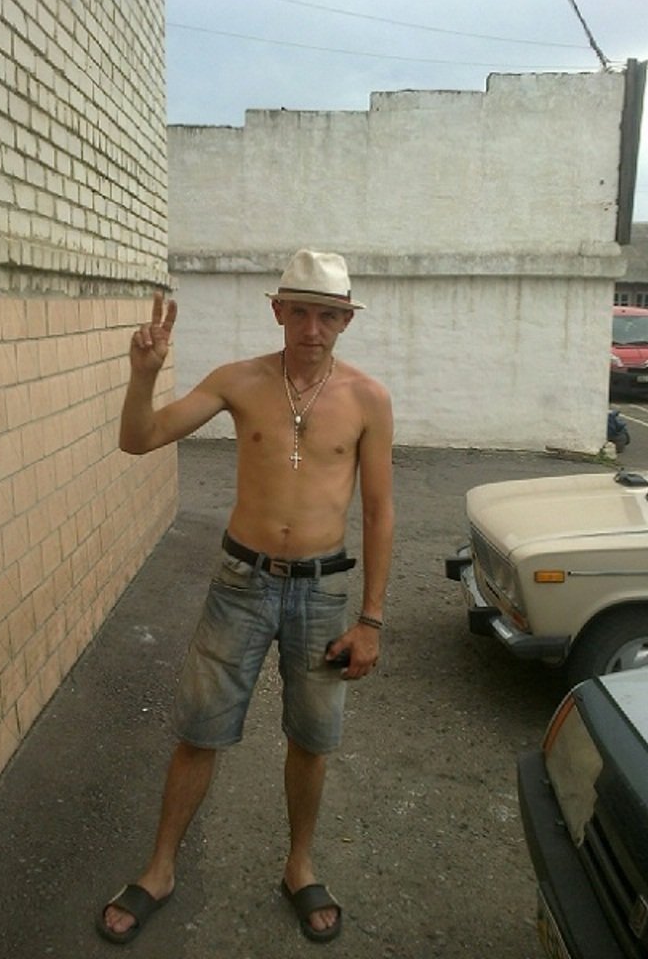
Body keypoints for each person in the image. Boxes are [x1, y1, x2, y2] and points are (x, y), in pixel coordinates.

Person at [96, 249, 394, 945]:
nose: (312, 328)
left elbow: (380, 512)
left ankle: (299, 865)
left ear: (346, 321)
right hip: (241, 583)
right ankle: (160, 868)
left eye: (328, 316)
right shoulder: (238, 380)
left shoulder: (367, 399)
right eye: (300, 312)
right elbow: (139, 439)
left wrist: (372, 619)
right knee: (199, 729)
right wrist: (143, 376)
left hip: (322, 592)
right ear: (278, 311)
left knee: (311, 740)